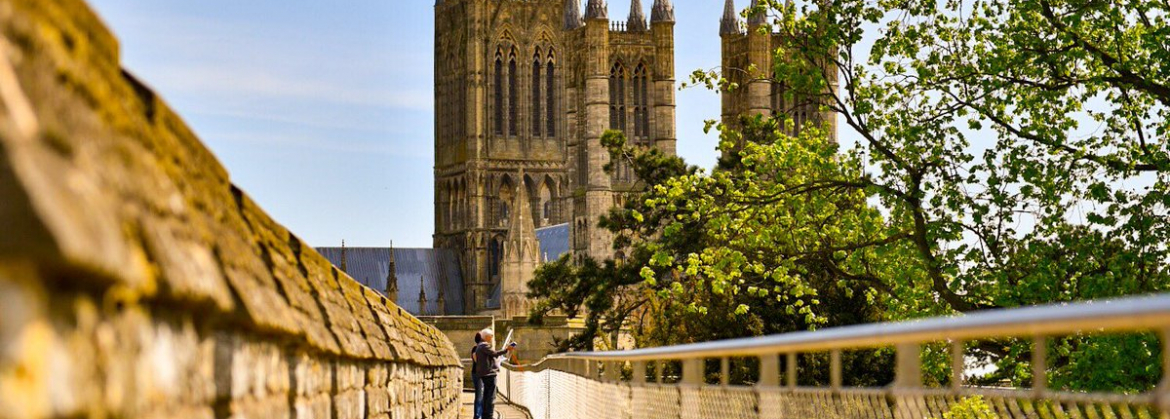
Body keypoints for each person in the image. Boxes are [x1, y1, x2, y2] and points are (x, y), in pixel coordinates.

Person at [473, 328, 515, 419]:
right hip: (489, 374)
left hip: (484, 374)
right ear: (487, 337)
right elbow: (495, 354)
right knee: (491, 396)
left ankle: (485, 415)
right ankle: (489, 415)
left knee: (486, 395)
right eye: (491, 336)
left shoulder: (479, 346)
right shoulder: (484, 345)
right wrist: (506, 349)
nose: (492, 338)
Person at [471, 332, 484, 419]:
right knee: (479, 395)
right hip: (477, 374)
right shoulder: (476, 348)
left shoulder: (477, 348)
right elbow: (476, 359)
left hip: (478, 373)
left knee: (481, 395)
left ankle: (480, 414)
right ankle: (477, 416)